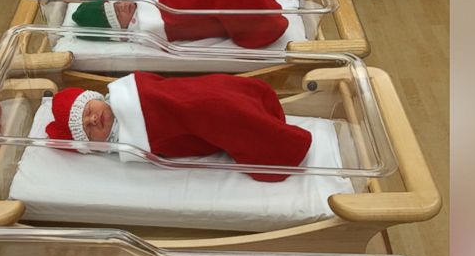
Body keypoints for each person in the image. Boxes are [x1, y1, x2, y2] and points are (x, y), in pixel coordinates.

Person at [44, 72, 312, 182]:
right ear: (99, 147)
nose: (93, 120)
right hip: (192, 117)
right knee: (218, 112)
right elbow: (178, 142)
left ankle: (264, 126)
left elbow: (176, 92)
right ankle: (272, 137)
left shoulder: (130, 95)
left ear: (98, 97)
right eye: (89, 130)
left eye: (89, 111)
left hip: (188, 96)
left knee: (214, 97)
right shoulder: (129, 144)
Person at [70, 0, 289, 49]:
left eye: (119, 0)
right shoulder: (150, 26)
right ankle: (263, 19)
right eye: (117, 13)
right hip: (190, 9)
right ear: (121, 30)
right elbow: (188, 23)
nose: (124, 5)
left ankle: (262, 7)